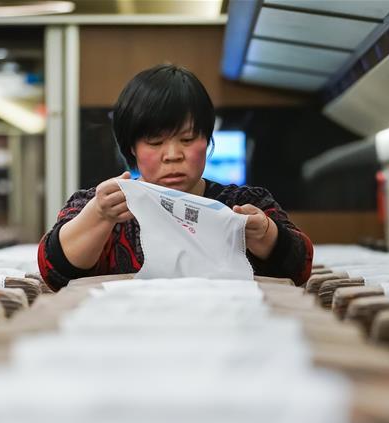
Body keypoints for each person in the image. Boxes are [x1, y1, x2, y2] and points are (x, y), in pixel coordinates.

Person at [37, 64, 313, 291]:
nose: (172, 155)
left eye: (187, 139)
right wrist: (99, 215)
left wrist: (265, 234)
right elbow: (55, 273)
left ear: (206, 140)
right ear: (132, 147)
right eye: (155, 142)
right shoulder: (103, 205)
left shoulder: (242, 204)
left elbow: (299, 269)